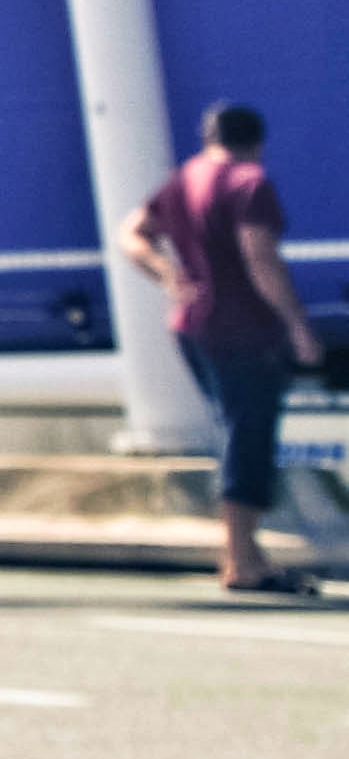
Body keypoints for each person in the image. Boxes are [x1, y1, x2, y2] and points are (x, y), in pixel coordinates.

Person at [120, 100, 329, 594]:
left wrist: (169, 275)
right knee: (248, 432)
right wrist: (297, 325)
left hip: (191, 325)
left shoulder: (185, 179)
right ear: (256, 140)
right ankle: (240, 560)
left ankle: (249, 555)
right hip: (241, 329)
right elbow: (259, 257)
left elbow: (131, 234)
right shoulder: (248, 183)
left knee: (232, 425)